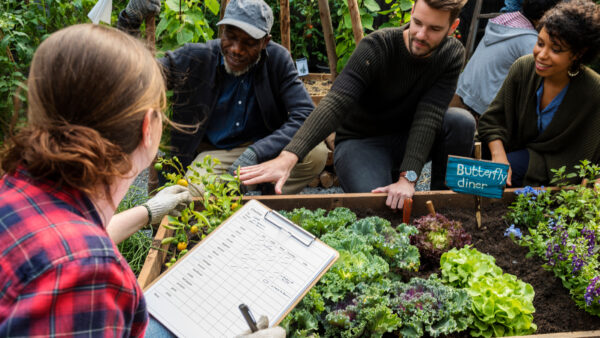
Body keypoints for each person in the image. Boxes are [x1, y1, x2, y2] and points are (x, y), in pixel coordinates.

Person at [0, 24, 283, 337]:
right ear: (148, 128)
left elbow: (60, 237)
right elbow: (74, 255)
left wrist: (149, 210)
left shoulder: (15, 188)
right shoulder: (86, 275)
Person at [239, 0, 476, 210]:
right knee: (377, 208)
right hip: (361, 143)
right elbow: (335, 102)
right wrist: (289, 157)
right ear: (412, 11)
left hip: (406, 137)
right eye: (417, 22)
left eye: (434, 29)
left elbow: (429, 116)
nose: (422, 35)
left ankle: (445, 205)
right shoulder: (378, 46)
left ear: (452, 28)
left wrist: (408, 178)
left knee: (460, 122)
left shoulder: (451, 54)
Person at [118, 0, 328, 195]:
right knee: (191, 194)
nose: (236, 49)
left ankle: (250, 190)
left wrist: (256, 153)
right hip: (214, 155)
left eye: (248, 42)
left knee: (315, 154)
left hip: (264, 146)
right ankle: (238, 194)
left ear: (265, 42)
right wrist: (130, 21)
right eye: (231, 36)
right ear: (222, 31)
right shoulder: (197, 58)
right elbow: (138, 77)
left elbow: (305, 113)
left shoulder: (277, 59)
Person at [478, 0, 600, 187]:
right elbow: (492, 120)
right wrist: (499, 156)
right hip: (513, 148)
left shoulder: (593, 89)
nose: (542, 54)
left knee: (510, 170)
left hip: (556, 165)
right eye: (540, 43)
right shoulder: (524, 68)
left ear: (578, 54)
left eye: (556, 50)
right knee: (473, 159)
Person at [452, 0, 560, 118]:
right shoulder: (529, 41)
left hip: (462, 93)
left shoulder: (504, 21)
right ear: (546, 16)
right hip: (482, 110)